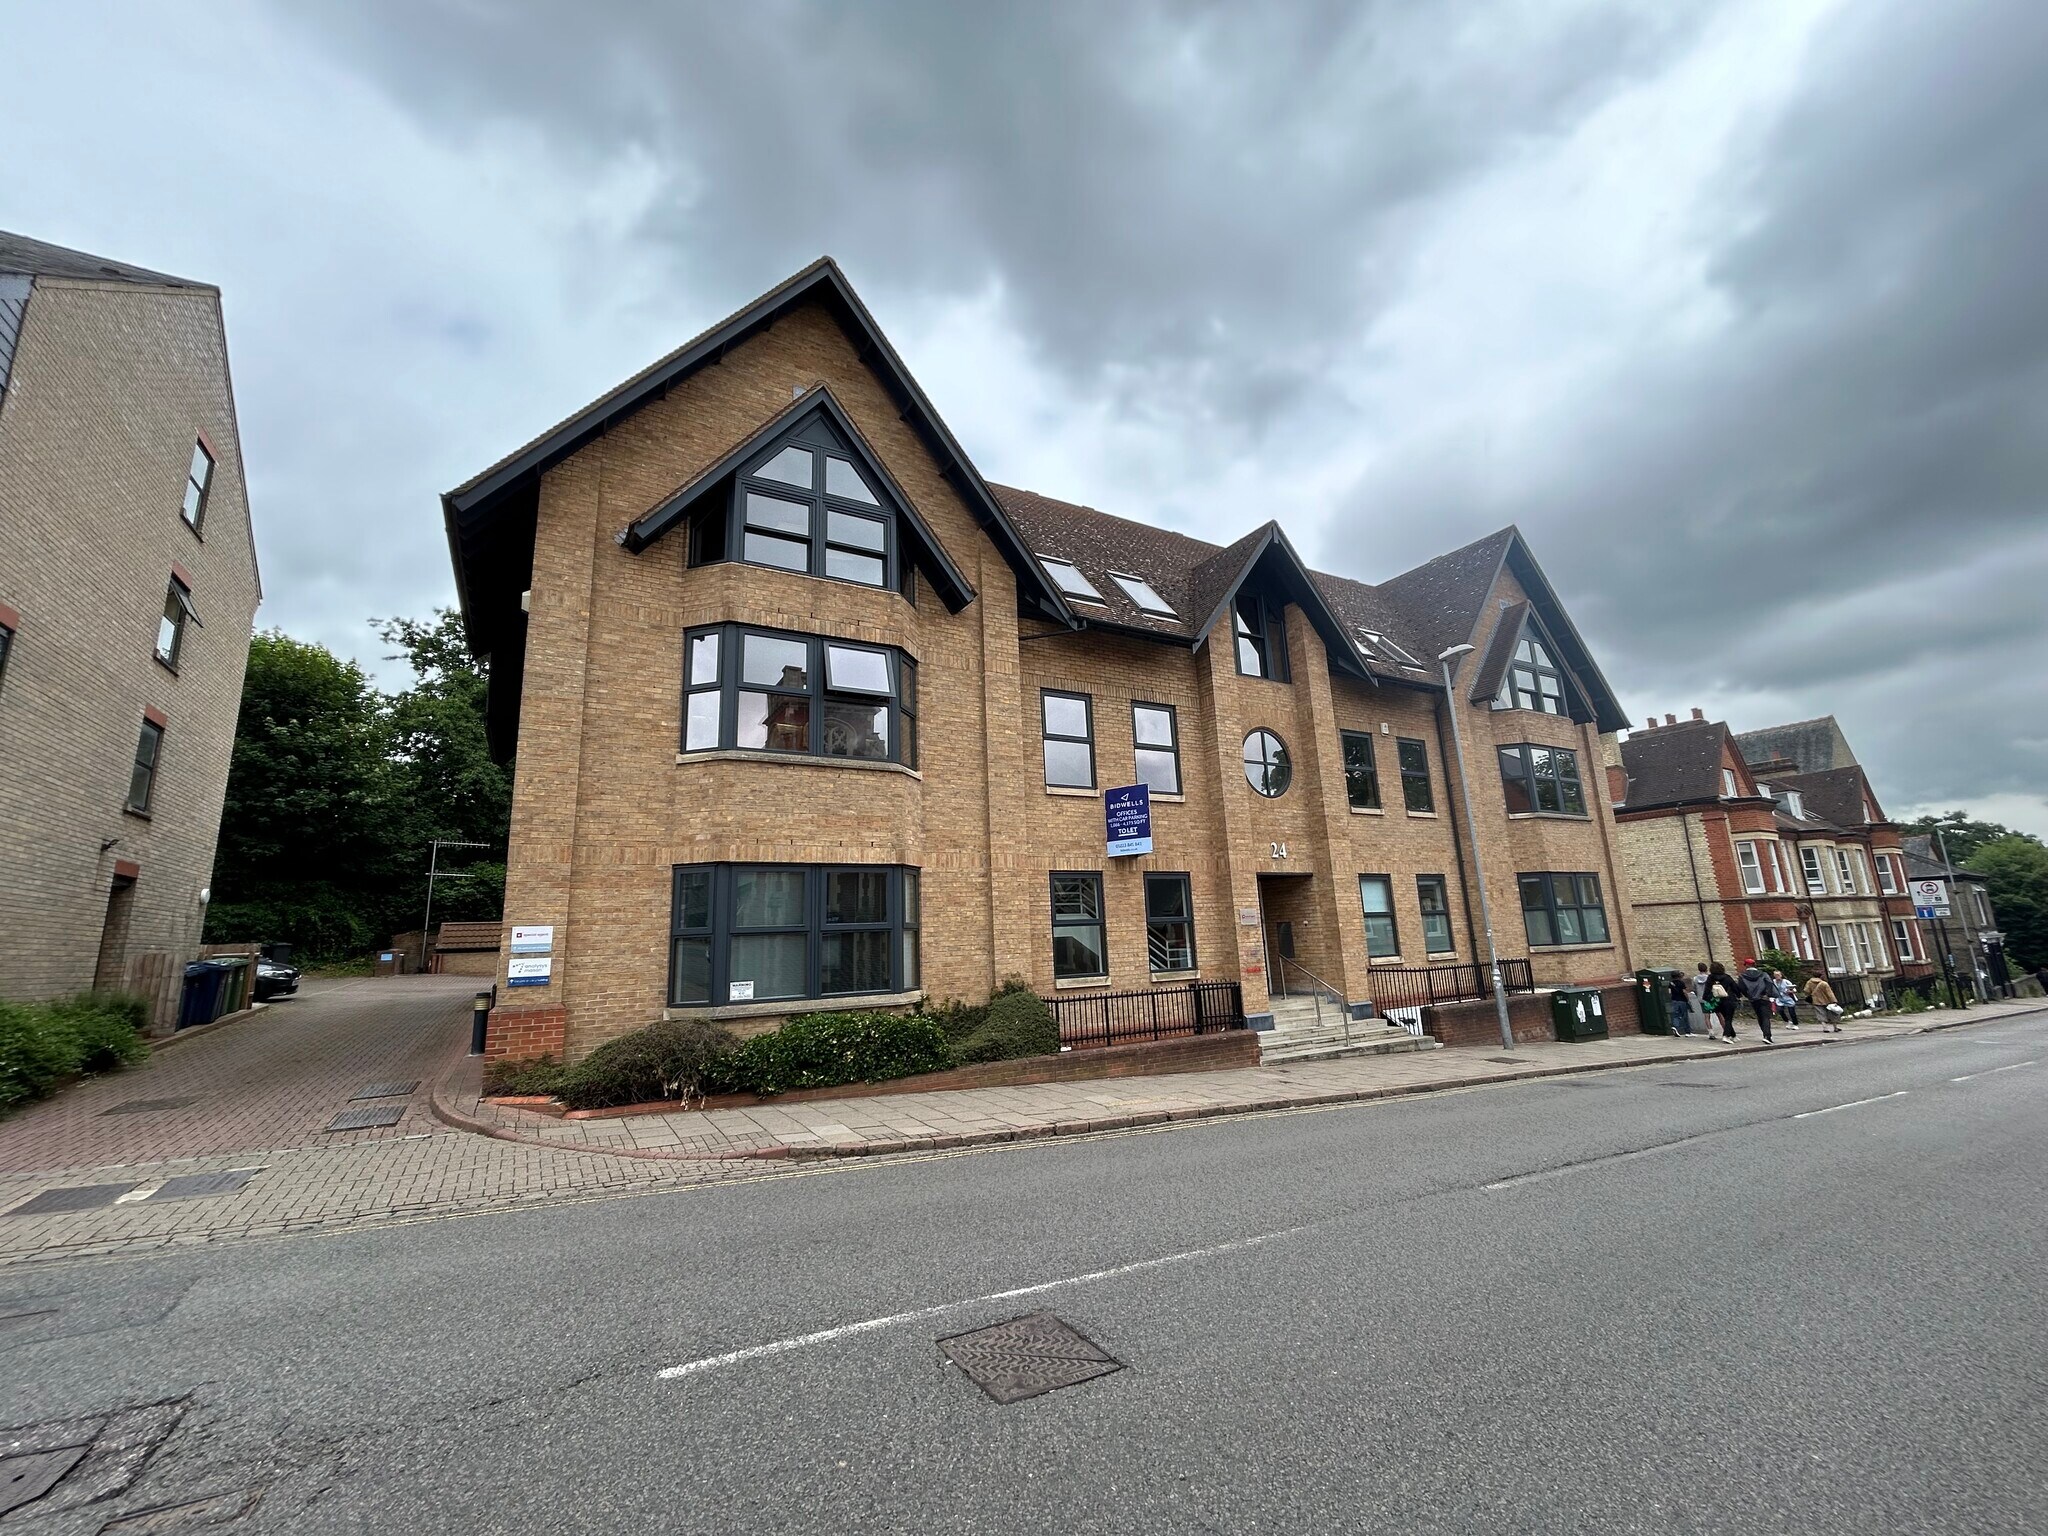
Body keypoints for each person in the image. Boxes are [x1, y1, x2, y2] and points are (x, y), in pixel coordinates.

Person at [1737, 959, 1776, 1043]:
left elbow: (1742, 988)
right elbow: (1769, 984)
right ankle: (1767, 1036)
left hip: (1753, 999)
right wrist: (1768, 994)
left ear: (1746, 965)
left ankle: (1765, 1034)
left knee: (1759, 1016)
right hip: (1764, 997)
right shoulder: (1763, 974)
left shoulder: (1742, 976)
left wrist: (1748, 996)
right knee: (1765, 1017)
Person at [1705, 962, 1739, 1041]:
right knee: (1728, 1019)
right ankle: (1726, 1035)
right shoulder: (1727, 977)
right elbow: (1735, 987)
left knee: (1726, 1018)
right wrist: (1738, 995)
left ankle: (1733, 1035)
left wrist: (1707, 999)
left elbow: (1707, 990)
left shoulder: (1710, 978)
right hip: (1729, 1000)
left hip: (1717, 1001)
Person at [1668, 972, 1696, 1037]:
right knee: (1685, 1016)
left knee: (1676, 1015)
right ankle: (1688, 1032)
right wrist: (1688, 999)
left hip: (1674, 1000)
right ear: (1678, 976)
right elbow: (1684, 992)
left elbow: (1669, 992)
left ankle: (1675, 1027)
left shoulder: (1671, 983)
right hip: (1682, 1000)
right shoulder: (1681, 983)